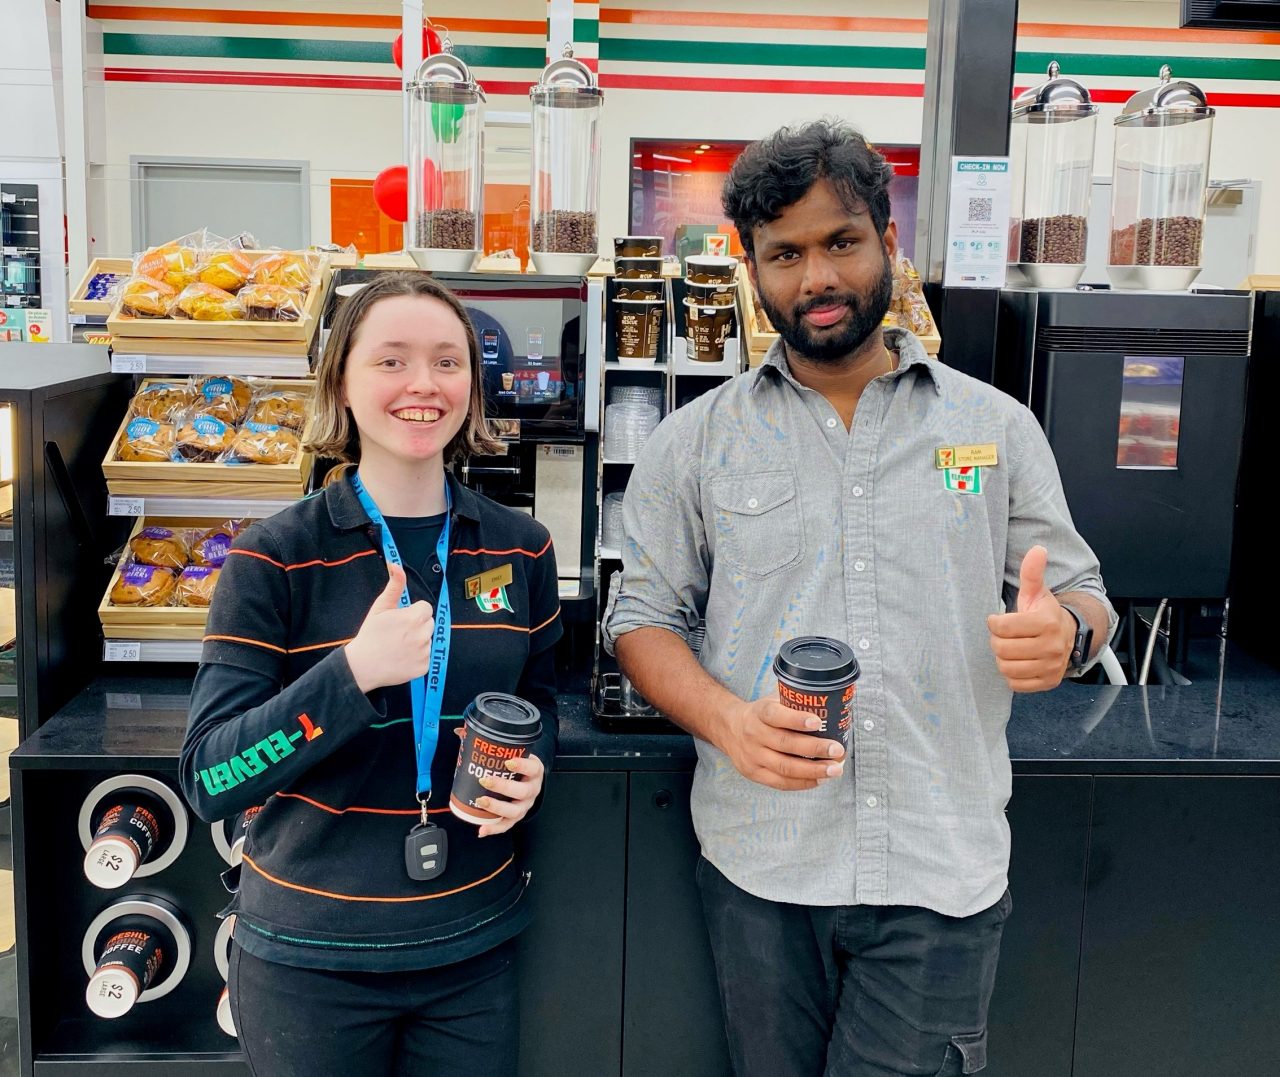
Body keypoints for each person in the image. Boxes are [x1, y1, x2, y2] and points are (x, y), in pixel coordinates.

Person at [605, 120, 1116, 1077]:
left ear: (890, 240)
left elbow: (1081, 591)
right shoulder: (692, 442)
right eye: (784, 255)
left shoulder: (993, 427)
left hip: (938, 869)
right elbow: (641, 619)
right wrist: (726, 718)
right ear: (752, 270)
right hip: (762, 867)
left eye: (840, 241)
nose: (816, 279)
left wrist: (1069, 633)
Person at [181, 272, 562, 1077]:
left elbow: (539, 700)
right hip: (307, 960)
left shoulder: (521, 547)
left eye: (447, 361)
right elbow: (212, 773)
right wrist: (353, 673)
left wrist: (536, 765)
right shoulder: (272, 554)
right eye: (392, 361)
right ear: (342, 382)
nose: (424, 384)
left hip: (471, 946)